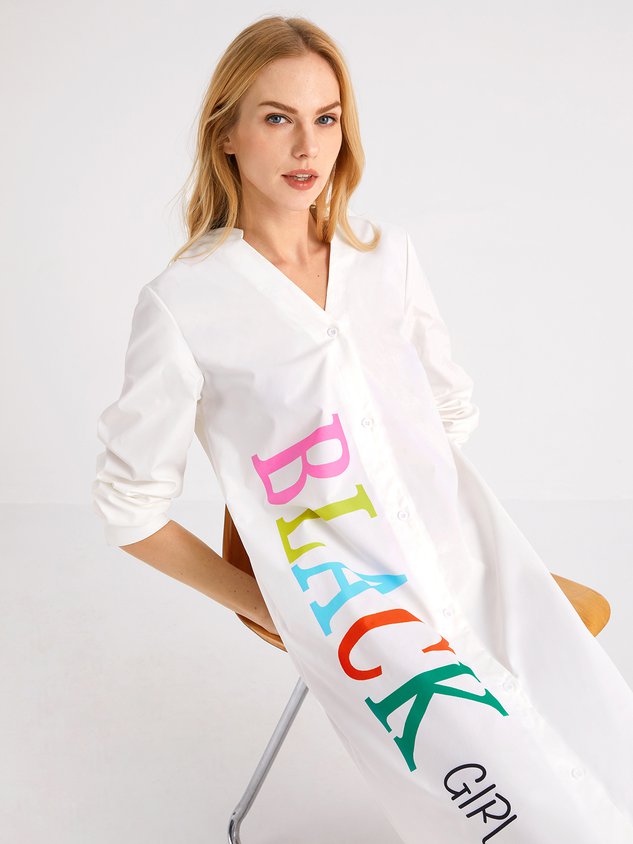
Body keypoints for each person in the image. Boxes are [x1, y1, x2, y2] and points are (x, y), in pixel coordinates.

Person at [91, 15, 633, 843]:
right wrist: (271, 603)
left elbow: (447, 410)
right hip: (354, 610)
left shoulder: (386, 258)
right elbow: (129, 509)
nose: (306, 145)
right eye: (277, 117)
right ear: (226, 133)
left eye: (326, 117)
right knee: (529, 814)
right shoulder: (186, 303)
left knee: (606, 744)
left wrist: (411, 495)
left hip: (467, 557)